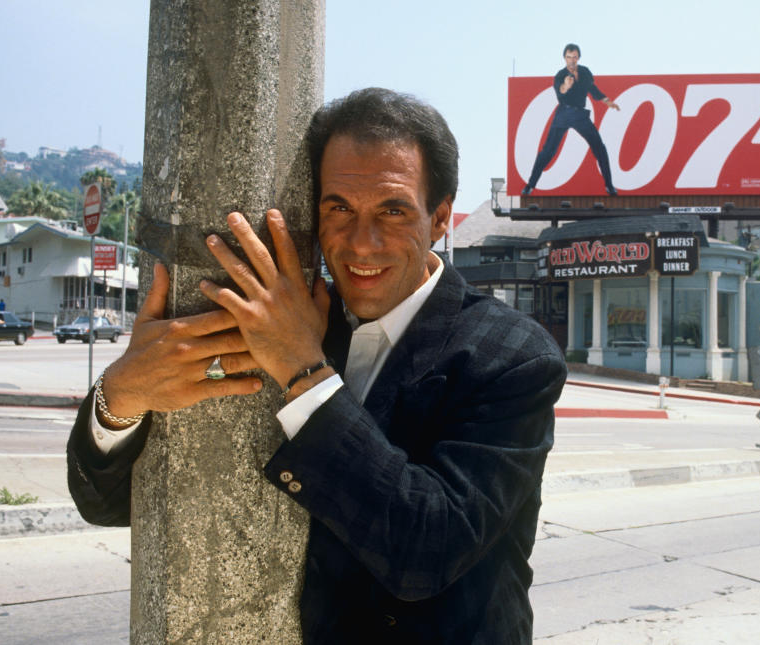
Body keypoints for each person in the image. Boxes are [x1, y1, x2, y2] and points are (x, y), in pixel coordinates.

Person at [67, 87, 567, 644]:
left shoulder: (513, 356)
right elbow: (108, 503)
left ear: (441, 217)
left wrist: (303, 369)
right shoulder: (296, 320)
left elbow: (425, 549)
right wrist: (121, 396)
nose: (361, 242)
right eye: (339, 209)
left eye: (393, 210)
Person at [522, 43, 620, 197]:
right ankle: (530, 185)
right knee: (548, 151)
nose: (572, 61)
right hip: (564, 113)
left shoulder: (585, 72)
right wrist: (566, 86)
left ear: (578, 57)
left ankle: (609, 186)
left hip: (580, 115)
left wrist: (607, 101)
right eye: (569, 57)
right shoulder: (560, 75)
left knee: (599, 148)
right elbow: (560, 92)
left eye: (574, 57)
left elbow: (592, 89)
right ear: (564, 58)